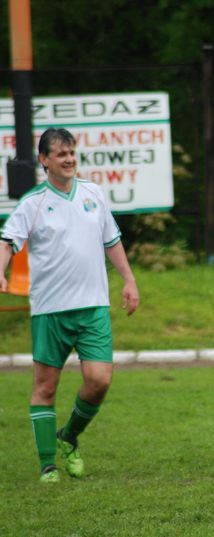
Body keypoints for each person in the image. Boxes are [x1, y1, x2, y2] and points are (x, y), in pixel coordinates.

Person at [0, 128, 140, 483]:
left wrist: (129, 280)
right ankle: (48, 465)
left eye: (72, 153)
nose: (69, 159)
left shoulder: (93, 193)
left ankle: (70, 435)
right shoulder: (32, 202)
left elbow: (112, 240)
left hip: (93, 306)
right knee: (45, 387)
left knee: (99, 380)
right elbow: (7, 241)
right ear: (44, 160)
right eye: (61, 154)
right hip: (50, 310)